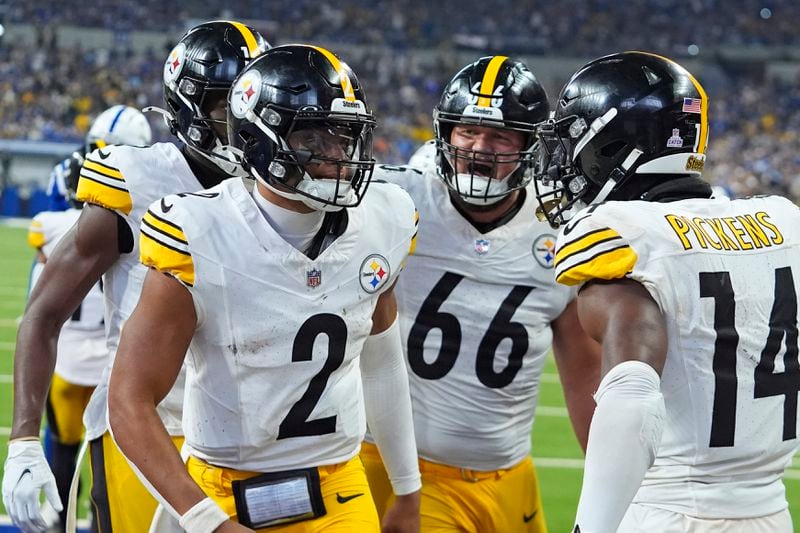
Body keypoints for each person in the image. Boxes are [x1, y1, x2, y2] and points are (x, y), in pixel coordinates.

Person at [107, 44, 421, 533]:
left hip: (338, 486)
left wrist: (407, 487)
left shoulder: (385, 217)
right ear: (259, 141)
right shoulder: (200, 231)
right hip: (221, 488)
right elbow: (128, 399)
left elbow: (381, 361)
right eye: (316, 137)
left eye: (346, 136)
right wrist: (208, 523)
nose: (340, 155)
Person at [2, 21, 269, 533]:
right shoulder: (135, 180)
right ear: (190, 108)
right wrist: (22, 440)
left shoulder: (277, 189)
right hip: (148, 430)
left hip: (249, 437)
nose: (243, 127)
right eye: (225, 110)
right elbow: (44, 311)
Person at [533, 51, 800, 533]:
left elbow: (631, 392)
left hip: (672, 512)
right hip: (770, 513)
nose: (565, 161)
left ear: (613, 145)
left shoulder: (627, 231)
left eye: (574, 142)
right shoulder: (784, 223)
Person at [361, 56, 602, 532]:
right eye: (467, 131)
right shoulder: (392, 201)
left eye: (500, 136)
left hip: (511, 471)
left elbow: (584, 368)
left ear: (530, 146)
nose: (479, 148)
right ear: (445, 135)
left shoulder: (561, 226)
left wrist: (613, 484)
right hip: (408, 472)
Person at [26, 104, 152, 532]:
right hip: (110, 368)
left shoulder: (47, 226)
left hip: (66, 362)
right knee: (108, 485)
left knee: (63, 459)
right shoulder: (155, 218)